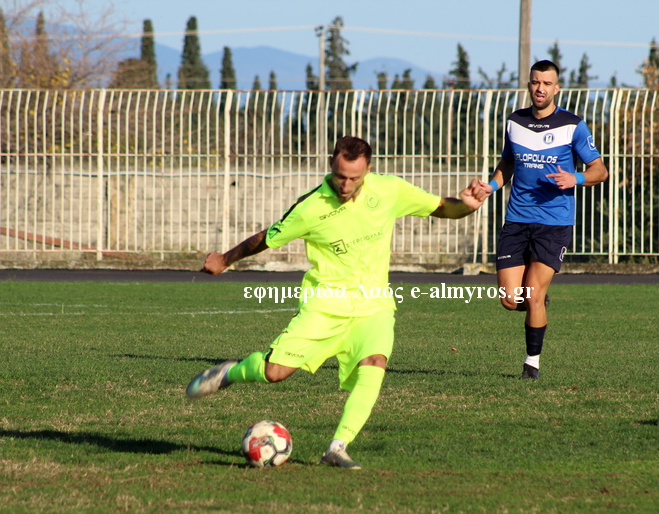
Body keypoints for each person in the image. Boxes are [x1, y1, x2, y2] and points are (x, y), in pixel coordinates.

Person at [187, 135, 490, 469]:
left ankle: (337, 447)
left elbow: (442, 208)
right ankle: (233, 372)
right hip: (326, 304)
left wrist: (467, 205)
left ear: (368, 170)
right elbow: (267, 237)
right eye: (340, 176)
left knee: (374, 363)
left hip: (374, 303)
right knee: (274, 373)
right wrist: (225, 259)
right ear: (331, 165)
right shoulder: (311, 206)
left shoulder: (389, 190)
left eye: (355, 178)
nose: (346, 185)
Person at [485, 60, 608, 380]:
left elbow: (600, 170)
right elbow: (506, 164)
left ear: (557, 88)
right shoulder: (515, 121)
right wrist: (492, 185)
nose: (540, 89)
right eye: (535, 82)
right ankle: (537, 302)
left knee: (533, 294)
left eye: (546, 84)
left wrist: (576, 179)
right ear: (528, 84)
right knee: (511, 300)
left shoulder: (573, 125)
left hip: (554, 223)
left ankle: (531, 364)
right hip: (516, 220)